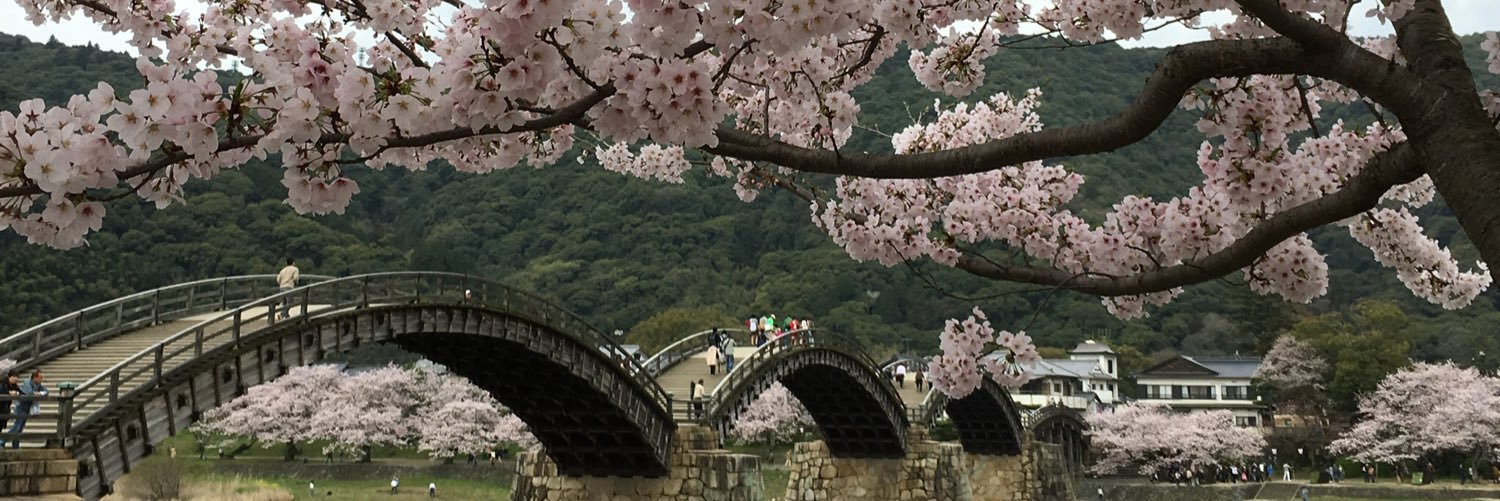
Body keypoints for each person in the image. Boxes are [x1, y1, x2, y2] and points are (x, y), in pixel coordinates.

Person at [8, 370, 46, 448]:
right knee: (16, 427)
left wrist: (41, 393)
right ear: (35, 377)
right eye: (40, 377)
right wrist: (36, 393)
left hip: (28, 407)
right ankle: (2, 441)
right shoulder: (27, 382)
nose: (41, 379)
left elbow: (46, 391)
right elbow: (29, 393)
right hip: (21, 406)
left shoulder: (38, 384)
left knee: (20, 428)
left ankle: (15, 445)